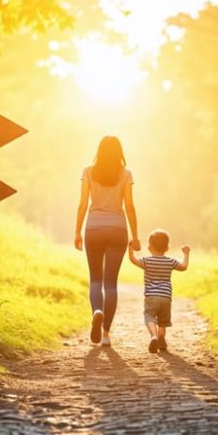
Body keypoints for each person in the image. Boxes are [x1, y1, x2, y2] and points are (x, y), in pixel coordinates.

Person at [75, 136, 141, 347]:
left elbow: (83, 204)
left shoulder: (88, 171)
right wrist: (136, 236)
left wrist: (77, 231)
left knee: (95, 279)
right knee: (110, 283)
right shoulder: (126, 174)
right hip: (118, 230)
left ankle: (97, 311)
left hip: (93, 228)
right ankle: (105, 335)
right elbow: (129, 206)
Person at [128, 229, 190, 353]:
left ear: (149, 247)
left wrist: (130, 248)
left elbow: (133, 259)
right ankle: (161, 339)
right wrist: (186, 254)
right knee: (163, 321)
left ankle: (154, 336)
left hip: (151, 296)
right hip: (166, 297)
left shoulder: (146, 261)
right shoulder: (170, 261)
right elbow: (183, 267)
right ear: (167, 248)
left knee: (149, 316)